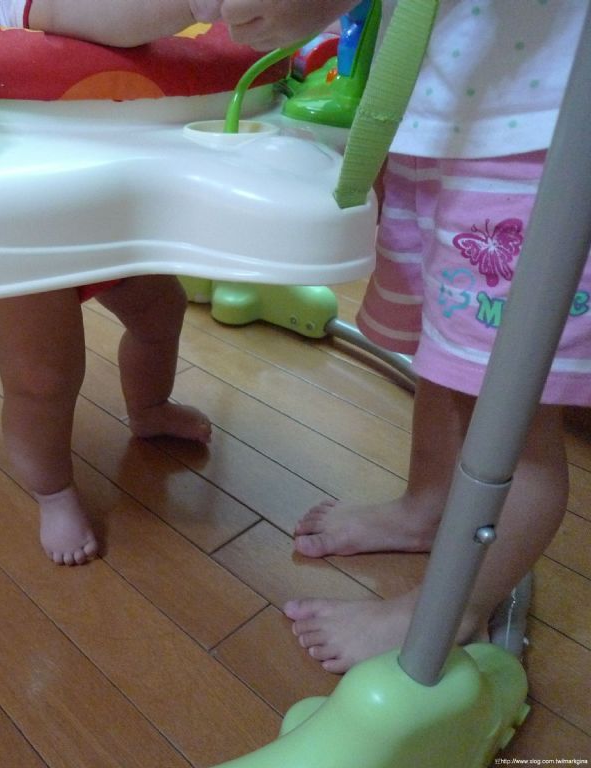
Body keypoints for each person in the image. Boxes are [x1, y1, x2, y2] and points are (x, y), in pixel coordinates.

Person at [210, 0, 590, 672]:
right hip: (443, 123)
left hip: (536, 143)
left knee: (514, 418)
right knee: (448, 361)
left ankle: (453, 608)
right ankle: (425, 509)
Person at [0, 1, 222, 566]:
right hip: (19, 219)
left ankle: (150, 407)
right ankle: (52, 490)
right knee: (42, 378)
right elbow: (111, 17)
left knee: (161, 311)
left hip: (112, 203)